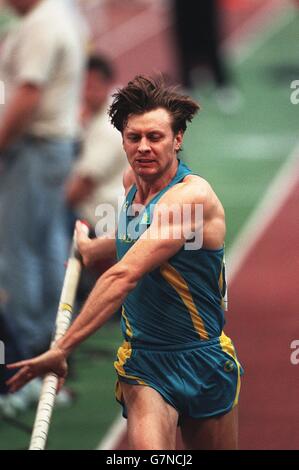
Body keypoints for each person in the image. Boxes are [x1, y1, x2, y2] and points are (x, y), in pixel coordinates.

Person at [6, 75, 243, 450]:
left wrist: (62, 348)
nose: (144, 147)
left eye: (155, 137)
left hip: (203, 357)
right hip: (145, 362)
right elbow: (136, 241)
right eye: (134, 138)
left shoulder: (191, 197)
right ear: (123, 140)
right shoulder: (130, 182)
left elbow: (124, 275)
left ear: (177, 139)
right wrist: (95, 249)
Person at [0, 0, 86, 403]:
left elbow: (28, 93)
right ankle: (51, 355)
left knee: (18, 252)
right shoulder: (55, 15)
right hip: (51, 147)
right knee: (46, 246)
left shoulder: (41, 23)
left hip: (35, 149)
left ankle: (27, 364)